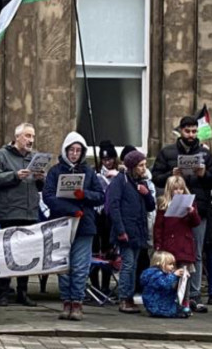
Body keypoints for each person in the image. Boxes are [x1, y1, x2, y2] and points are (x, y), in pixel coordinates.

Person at [151, 116, 212, 313]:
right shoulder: (167, 152)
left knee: (195, 253)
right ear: (181, 131)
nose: (191, 135)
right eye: (187, 131)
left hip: (197, 208)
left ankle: (194, 295)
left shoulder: (206, 154)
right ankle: (173, 292)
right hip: (172, 211)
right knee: (170, 253)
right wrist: (171, 175)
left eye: (193, 131)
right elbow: (156, 177)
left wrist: (203, 175)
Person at [42, 132, 105, 321]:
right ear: (65, 150)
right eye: (71, 150)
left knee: (79, 266)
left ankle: (77, 302)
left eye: (78, 150)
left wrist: (83, 194)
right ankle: (66, 302)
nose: (75, 154)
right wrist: (70, 209)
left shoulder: (89, 172)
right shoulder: (55, 171)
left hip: (84, 225)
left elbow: (100, 196)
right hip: (62, 223)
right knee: (63, 265)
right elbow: (49, 196)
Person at [0, 122, 45, 307]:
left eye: (32, 136)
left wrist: (41, 179)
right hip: (8, 212)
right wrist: (14, 175)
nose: (31, 140)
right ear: (17, 137)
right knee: (8, 253)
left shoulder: (34, 158)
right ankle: (3, 292)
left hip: (29, 212)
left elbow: (39, 187)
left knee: (26, 254)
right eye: (27, 136)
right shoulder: (3, 155)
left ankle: (23, 291)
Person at [107, 150, 156, 314]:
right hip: (126, 230)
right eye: (141, 165)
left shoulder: (142, 182)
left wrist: (146, 193)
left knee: (134, 264)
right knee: (127, 265)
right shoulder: (120, 181)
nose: (144, 168)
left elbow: (151, 206)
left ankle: (129, 296)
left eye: (144, 165)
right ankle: (124, 297)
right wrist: (120, 230)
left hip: (138, 230)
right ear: (132, 166)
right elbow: (113, 206)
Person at [152, 176, 201, 314]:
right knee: (168, 275)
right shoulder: (163, 203)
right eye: (175, 189)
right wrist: (158, 245)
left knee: (185, 276)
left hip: (184, 243)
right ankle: (168, 301)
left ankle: (184, 302)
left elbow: (196, 223)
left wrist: (192, 213)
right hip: (169, 244)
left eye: (180, 189)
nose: (178, 192)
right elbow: (158, 227)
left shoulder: (190, 203)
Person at [89, 141, 118, 296]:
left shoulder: (120, 173)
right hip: (96, 215)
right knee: (94, 251)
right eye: (104, 160)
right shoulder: (94, 172)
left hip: (110, 217)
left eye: (110, 159)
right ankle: (95, 286)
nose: (107, 162)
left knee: (108, 252)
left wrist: (117, 176)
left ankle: (106, 286)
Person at [140, 251, 187, 318]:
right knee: (180, 311)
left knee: (182, 309)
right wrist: (174, 275)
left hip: (159, 303)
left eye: (173, 264)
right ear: (160, 264)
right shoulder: (155, 275)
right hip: (158, 305)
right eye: (170, 264)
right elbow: (164, 284)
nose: (172, 266)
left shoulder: (159, 274)